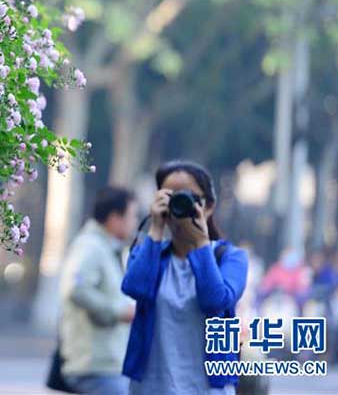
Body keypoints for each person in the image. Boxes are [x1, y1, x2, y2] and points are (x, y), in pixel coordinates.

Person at [122, 160, 248, 395]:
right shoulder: (149, 253)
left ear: (208, 206)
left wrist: (200, 242)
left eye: (190, 197)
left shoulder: (230, 258)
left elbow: (216, 301)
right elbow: (134, 288)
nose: (181, 203)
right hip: (150, 388)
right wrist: (156, 229)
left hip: (209, 389)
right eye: (172, 196)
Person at [58, 186, 138, 395]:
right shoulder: (91, 246)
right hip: (94, 364)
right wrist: (118, 311)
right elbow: (76, 288)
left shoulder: (107, 247)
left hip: (105, 363)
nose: (134, 223)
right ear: (114, 218)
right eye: (132, 216)